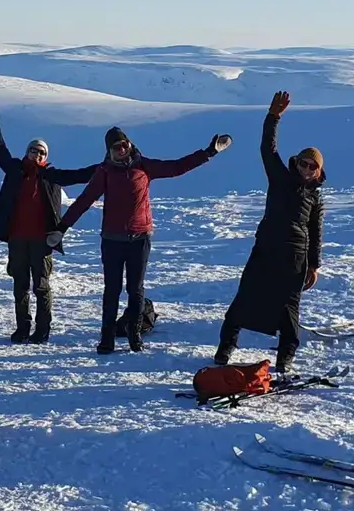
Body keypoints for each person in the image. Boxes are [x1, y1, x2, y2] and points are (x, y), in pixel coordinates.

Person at [58, 125, 230, 354]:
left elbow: (176, 167)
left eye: (124, 144)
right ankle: (106, 338)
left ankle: (134, 335)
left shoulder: (144, 165)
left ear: (129, 144)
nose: (121, 149)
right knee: (112, 289)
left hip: (140, 238)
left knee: (135, 289)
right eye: (116, 147)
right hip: (112, 239)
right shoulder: (104, 172)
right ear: (109, 151)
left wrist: (207, 153)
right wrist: (62, 228)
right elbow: (84, 200)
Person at [214, 91, 323, 372]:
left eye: (311, 166)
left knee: (289, 309)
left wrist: (314, 265)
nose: (305, 168)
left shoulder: (316, 198)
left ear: (318, 172)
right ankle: (225, 348)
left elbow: (316, 232)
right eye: (302, 162)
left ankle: (285, 357)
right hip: (266, 249)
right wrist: (273, 117)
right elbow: (268, 149)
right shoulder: (280, 178)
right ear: (295, 163)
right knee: (244, 297)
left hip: (295, 257)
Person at [0, 101, 98, 344]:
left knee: (42, 287)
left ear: (46, 158)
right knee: (20, 286)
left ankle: (42, 330)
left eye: (42, 152)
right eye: (34, 150)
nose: (37, 154)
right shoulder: (14, 169)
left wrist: (106, 165)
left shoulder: (51, 175)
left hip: (42, 240)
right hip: (17, 238)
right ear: (27, 152)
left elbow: (79, 175)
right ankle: (22, 328)